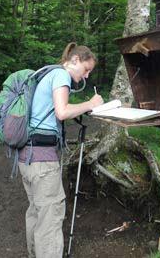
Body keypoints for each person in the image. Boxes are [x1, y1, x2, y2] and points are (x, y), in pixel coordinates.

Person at [18, 42, 104, 258]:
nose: (86, 77)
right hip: (43, 162)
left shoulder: (47, 74)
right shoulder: (61, 75)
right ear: (75, 60)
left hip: (26, 156)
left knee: (36, 212)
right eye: (86, 69)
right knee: (50, 217)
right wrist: (91, 103)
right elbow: (62, 111)